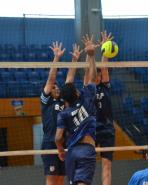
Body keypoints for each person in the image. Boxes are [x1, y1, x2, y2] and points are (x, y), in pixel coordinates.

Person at [55, 35, 97, 185]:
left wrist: (60, 149)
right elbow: (92, 78)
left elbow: (58, 137)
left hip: (71, 152)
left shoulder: (63, 113)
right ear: (77, 93)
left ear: (65, 100)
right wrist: (91, 55)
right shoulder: (87, 99)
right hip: (86, 150)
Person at [41, 41, 81, 185]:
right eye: (54, 87)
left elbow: (69, 81)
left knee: (60, 179)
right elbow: (51, 79)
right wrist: (56, 58)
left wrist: (75, 60)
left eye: (58, 87)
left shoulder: (64, 100)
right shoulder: (46, 101)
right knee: (51, 180)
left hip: (65, 143)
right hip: (50, 143)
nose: (56, 88)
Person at [84, 30, 115, 185]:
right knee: (87, 165)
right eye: (95, 74)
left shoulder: (105, 86)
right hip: (91, 130)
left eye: (100, 75)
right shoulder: (88, 88)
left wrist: (104, 49)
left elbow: (104, 68)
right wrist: (90, 54)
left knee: (106, 166)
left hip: (107, 129)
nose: (99, 76)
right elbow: (89, 70)